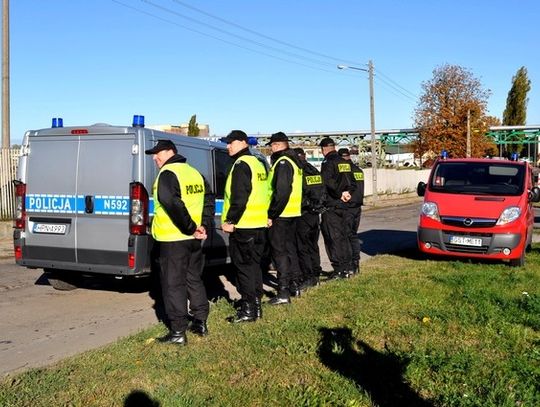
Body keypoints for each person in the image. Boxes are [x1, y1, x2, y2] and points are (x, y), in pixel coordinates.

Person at [145, 139, 215, 345]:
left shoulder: (168, 174)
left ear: (170, 152)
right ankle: (200, 321)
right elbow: (208, 199)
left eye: (157, 153)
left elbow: (172, 203)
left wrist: (191, 227)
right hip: (191, 240)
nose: (154, 157)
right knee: (194, 278)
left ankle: (177, 332)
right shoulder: (194, 172)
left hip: (174, 238)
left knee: (173, 284)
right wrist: (202, 225)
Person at [220, 130, 270, 323]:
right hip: (258, 225)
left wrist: (231, 221)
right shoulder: (257, 164)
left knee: (244, 269)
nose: (227, 146)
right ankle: (255, 306)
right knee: (254, 267)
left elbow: (240, 198)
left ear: (242, 142)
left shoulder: (241, 165)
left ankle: (248, 309)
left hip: (244, 227)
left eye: (230, 142)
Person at [266, 132, 303, 305]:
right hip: (292, 213)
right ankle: (295, 285)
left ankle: (283, 291)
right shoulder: (294, 160)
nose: (271, 148)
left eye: (272, 145)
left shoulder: (282, 162)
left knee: (279, 253)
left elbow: (281, 192)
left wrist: (271, 214)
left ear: (278, 145)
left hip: (281, 214)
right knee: (290, 250)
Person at [319, 138, 356, 279]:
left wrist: (339, 194)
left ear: (324, 149)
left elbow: (327, 182)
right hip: (344, 205)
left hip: (332, 205)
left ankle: (339, 269)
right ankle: (347, 267)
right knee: (343, 237)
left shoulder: (328, 162)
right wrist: (348, 193)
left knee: (332, 238)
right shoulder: (344, 162)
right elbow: (353, 182)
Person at [293, 148, 325, 290]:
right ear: (304, 156)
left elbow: (299, 193)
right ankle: (315, 273)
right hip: (314, 214)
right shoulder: (313, 170)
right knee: (312, 245)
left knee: (302, 247)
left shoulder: (299, 171)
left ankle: (307, 277)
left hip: (303, 213)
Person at [338, 148, 365, 275]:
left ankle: (350, 265)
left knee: (347, 236)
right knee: (353, 235)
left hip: (348, 207)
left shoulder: (345, 171)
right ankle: (356, 264)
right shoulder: (359, 170)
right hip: (357, 207)